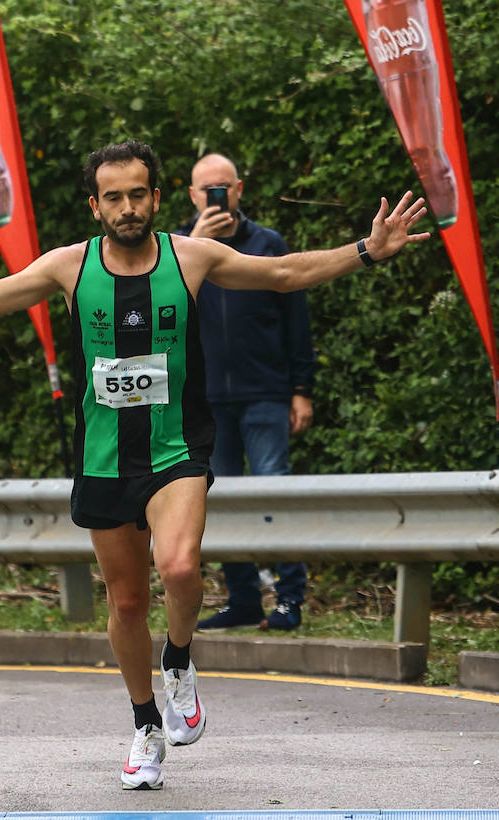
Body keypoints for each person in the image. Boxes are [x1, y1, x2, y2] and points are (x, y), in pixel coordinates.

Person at [0, 140, 428, 790]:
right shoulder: (69, 267)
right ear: (95, 205)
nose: (127, 208)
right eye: (113, 197)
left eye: (137, 194)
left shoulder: (191, 256)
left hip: (176, 448)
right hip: (106, 455)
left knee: (177, 566)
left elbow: (282, 273)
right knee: (125, 600)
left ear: (156, 198)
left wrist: (367, 250)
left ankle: (178, 659)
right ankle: (146, 724)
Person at [177, 154, 313, 632]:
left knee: (273, 493)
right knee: (220, 501)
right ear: (192, 196)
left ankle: (289, 598)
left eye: (223, 187)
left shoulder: (268, 244)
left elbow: (298, 325)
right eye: (205, 189)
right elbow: (165, 315)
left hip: (265, 392)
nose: (216, 196)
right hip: (207, 400)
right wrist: (195, 242)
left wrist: (301, 389)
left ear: (239, 189)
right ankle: (242, 599)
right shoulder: (180, 252)